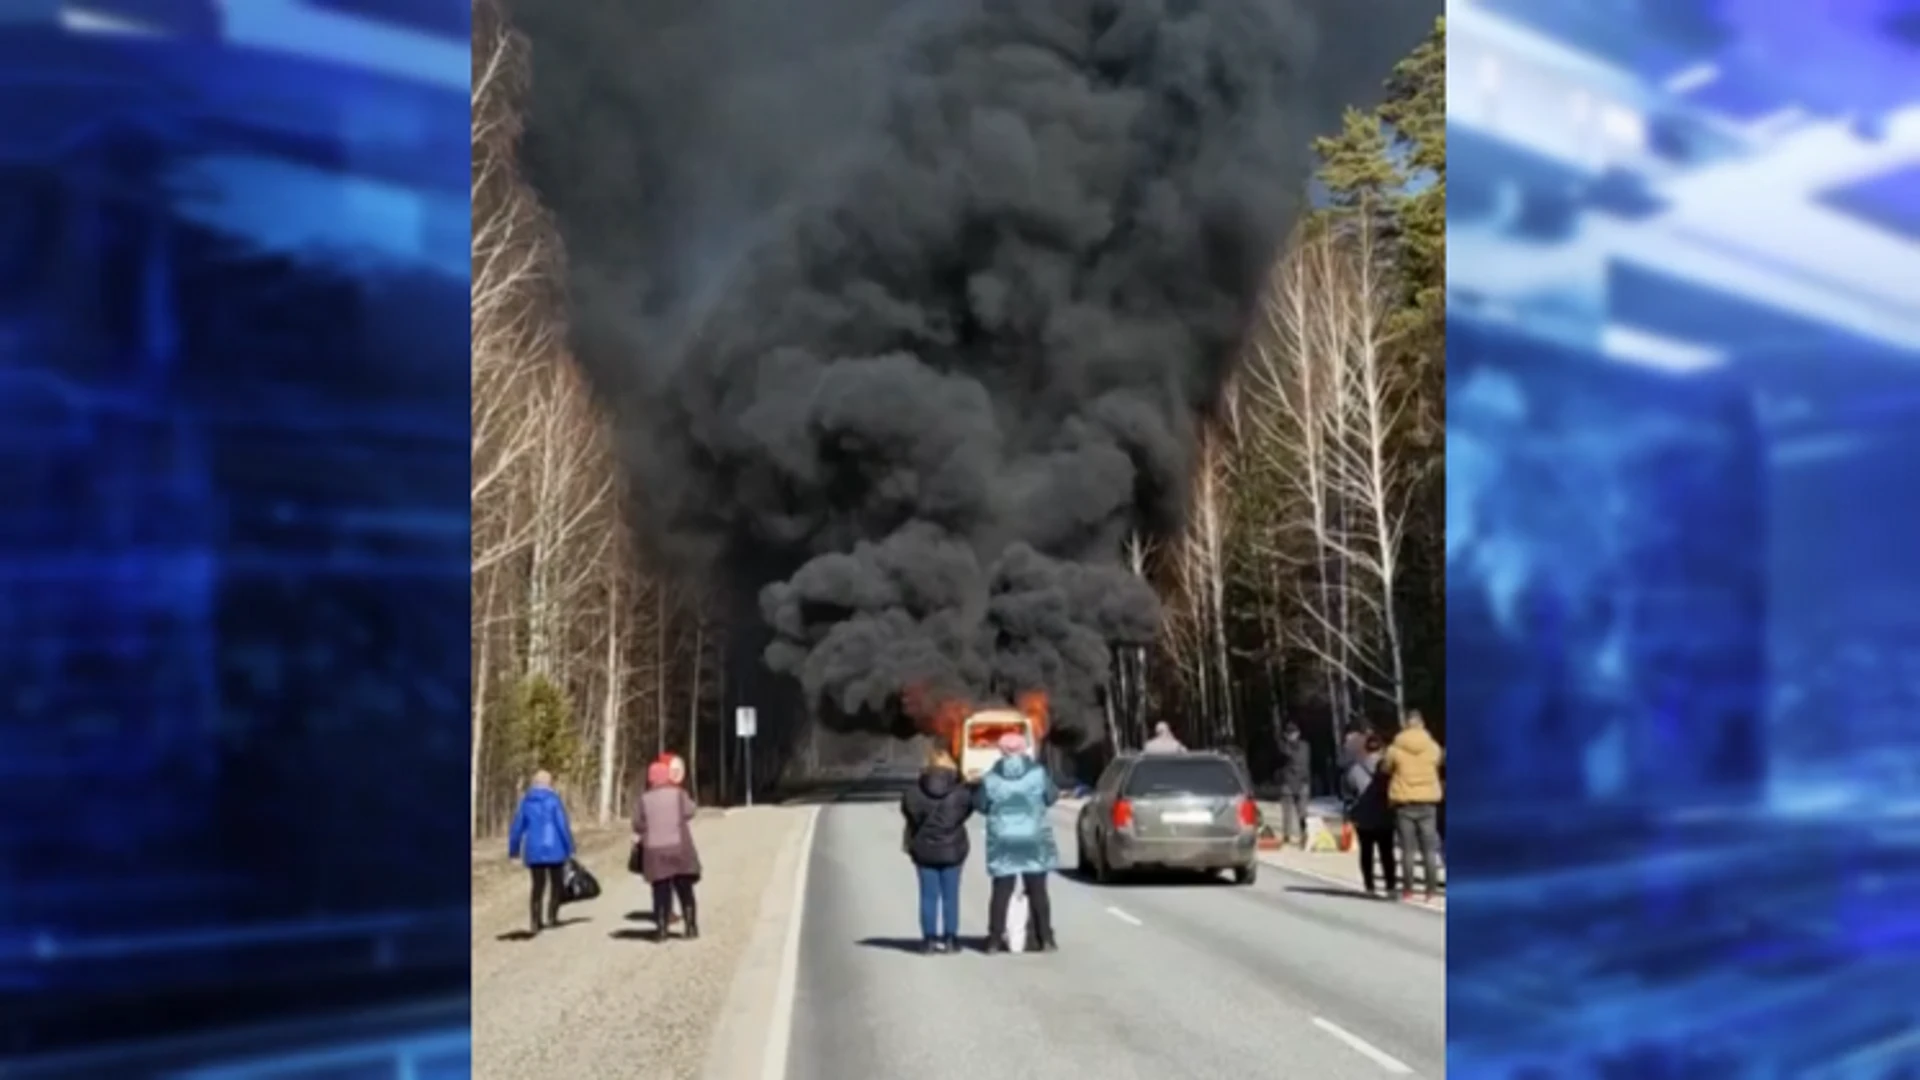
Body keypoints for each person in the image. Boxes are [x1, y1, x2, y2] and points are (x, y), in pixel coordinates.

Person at [975, 733, 1059, 953]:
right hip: (1033, 836)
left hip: (1003, 838)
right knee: (1038, 889)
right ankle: (1046, 937)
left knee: (1002, 890)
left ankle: (994, 938)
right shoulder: (1037, 773)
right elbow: (1051, 797)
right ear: (1023, 750)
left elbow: (981, 804)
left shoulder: (992, 777)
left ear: (1001, 751)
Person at [901, 746, 974, 954]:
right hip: (953, 849)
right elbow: (966, 813)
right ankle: (951, 939)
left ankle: (928, 940)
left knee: (928, 895)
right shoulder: (961, 793)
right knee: (951, 895)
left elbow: (909, 814)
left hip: (924, 849)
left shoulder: (913, 792)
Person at [633, 760, 703, 940]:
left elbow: (638, 825)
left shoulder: (644, 799)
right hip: (679, 849)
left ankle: (662, 930)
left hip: (655, 852)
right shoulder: (678, 794)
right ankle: (691, 927)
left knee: (660, 891)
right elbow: (691, 812)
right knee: (684, 889)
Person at [1382, 710, 1445, 904]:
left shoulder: (1395, 748)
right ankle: (1431, 890)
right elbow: (1439, 762)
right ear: (1422, 724)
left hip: (1404, 801)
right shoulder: (1433, 747)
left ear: (1406, 724)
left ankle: (1408, 889)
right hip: (1428, 802)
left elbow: (1386, 768)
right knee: (1429, 849)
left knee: (1408, 849)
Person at [507, 770, 577, 936]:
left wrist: (514, 850)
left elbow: (517, 827)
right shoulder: (554, 800)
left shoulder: (526, 801)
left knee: (537, 886)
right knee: (556, 884)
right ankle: (552, 917)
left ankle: (535, 921)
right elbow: (562, 825)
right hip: (555, 847)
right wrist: (570, 847)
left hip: (534, 848)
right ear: (548, 783)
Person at [1344, 734, 1397, 897]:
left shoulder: (1354, 769)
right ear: (1381, 748)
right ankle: (1390, 886)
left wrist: (1349, 813)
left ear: (1366, 749)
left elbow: (1348, 793)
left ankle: (1369, 885)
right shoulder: (1389, 769)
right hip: (1385, 815)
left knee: (1366, 852)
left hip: (1363, 816)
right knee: (1387, 852)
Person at [1275, 725, 1312, 848]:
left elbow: (1284, 756)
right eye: (1291, 733)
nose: (1292, 736)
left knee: (1295, 812)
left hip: (1293, 783)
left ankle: (1295, 835)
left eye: (1292, 733)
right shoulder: (1304, 746)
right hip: (1297, 782)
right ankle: (1297, 834)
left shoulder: (1286, 748)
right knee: (1296, 812)